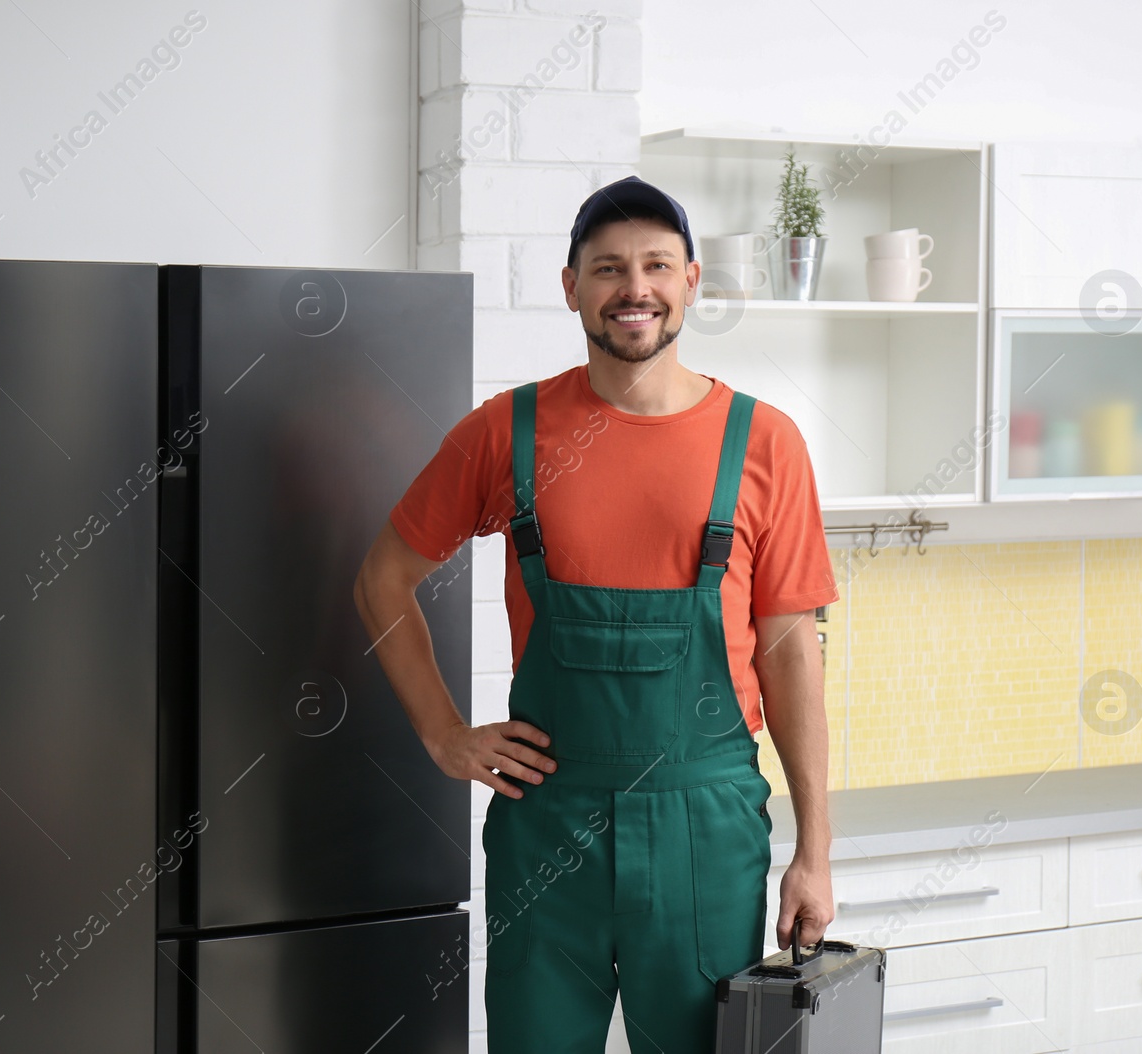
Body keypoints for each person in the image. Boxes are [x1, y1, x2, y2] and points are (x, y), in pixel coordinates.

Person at [353, 175, 838, 1052]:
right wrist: (443, 735)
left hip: (708, 825)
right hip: (548, 819)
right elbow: (382, 578)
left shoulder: (764, 442)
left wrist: (816, 850)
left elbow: (791, 651)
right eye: (608, 268)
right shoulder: (507, 431)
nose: (635, 289)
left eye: (656, 265)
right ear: (571, 285)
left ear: (692, 280)